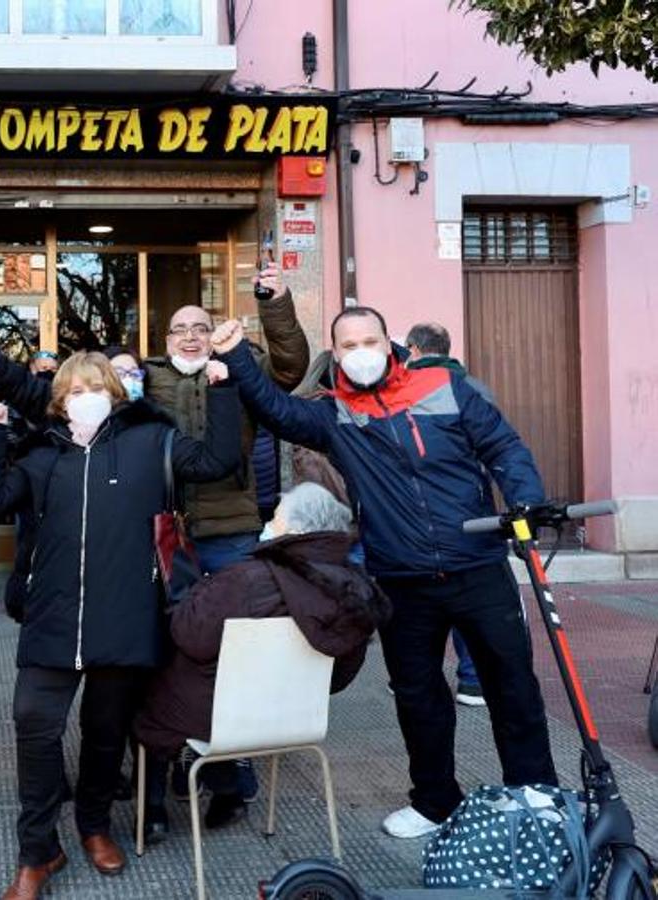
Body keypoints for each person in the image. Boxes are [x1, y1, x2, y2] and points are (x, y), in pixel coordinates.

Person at [211, 280, 558, 840]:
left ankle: (535, 790)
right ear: (337, 354)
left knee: (512, 684)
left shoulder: (444, 385)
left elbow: (503, 445)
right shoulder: (333, 414)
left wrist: (523, 499)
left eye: (369, 339)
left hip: (478, 565)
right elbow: (276, 411)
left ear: (388, 342)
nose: (360, 352)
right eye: (347, 345)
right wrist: (234, 355)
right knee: (418, 696)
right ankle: (434, 801)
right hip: (402, 578)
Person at [0, 352, 240, 899]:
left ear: (116, 393)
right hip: (52, 616)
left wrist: (224, 390)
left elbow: (218, 460)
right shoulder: (44, 454)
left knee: (105, 734)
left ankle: (94, 825)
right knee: (35, 725)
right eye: (73, 389)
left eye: (95, 386)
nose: (84, 396)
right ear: (59, 401)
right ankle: (37, 851)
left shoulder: (150, 441)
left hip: (125, 615)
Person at [134, 483, 390, 828]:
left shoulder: (246, 579)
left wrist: (187, 598)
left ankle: (152, 813)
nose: (268, 523)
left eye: (276, 518)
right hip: (294, 717)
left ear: (297, 531)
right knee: (211, 686)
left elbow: (190, 635)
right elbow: (340, 676)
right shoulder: (355, 587)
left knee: (155, 685)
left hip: (222, 715)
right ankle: (228, 792)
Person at [143, 289, 309, 574]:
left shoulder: (241, 369)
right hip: (163, 526)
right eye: (180, 330)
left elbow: (289, 368)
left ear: (213, 336)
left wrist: (275, 303)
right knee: (171, 616)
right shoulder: (146, 377)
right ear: (168, 340)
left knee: (235, 612)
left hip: (232, 527)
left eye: (200, 329)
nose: (190, 337)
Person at [405, 322, 491, 708]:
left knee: (421, 605)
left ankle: (414, 678)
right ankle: (473, 682)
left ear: (413, 349)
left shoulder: (404, 391)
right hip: (472, 510)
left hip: (419, 514)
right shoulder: (476, 387)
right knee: (468, 601)